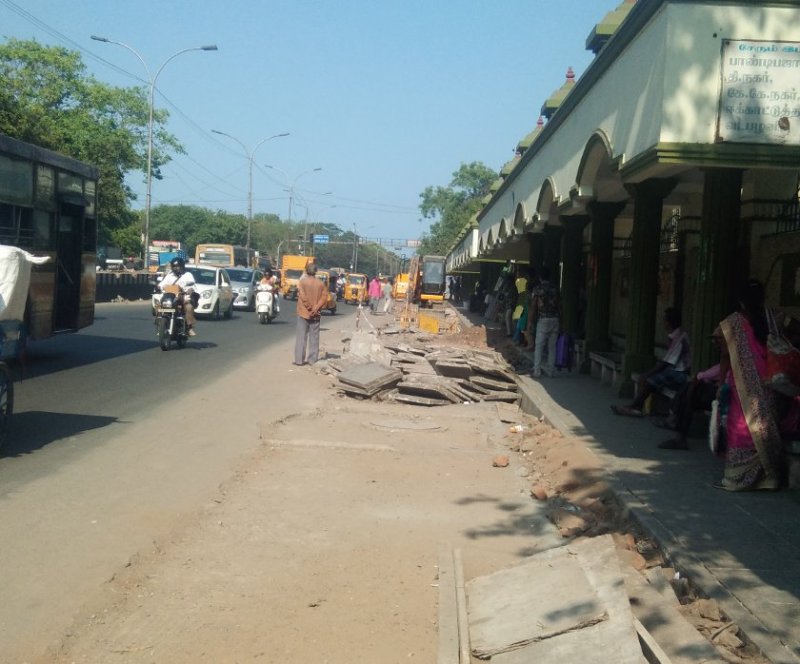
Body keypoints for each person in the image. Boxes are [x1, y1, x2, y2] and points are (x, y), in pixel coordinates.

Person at [713, 279, 782, 491]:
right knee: (765, 427)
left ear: (740, 300)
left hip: (743, 387)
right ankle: (768, 478)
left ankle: (736, 478)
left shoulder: (731, 323)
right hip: (770, 383)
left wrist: (720, 383)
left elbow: (725, 356)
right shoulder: (773, 317)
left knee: (742, 427)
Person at [611, 307, 690, 416]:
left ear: (669, 322)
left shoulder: (680, 338)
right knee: (649, 379)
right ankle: (636, 407)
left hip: (681, 373)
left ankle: (634, 406)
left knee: (649, 381)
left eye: (664, 320)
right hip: (673, 370)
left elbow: (667, 362)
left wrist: (647, 374)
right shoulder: (675, 336)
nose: (663, 323)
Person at [656, 363, 720, 450]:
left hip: (723, 394)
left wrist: (698, 377)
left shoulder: (729, 363)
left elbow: (705, 375)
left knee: (690, 393)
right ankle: (675, 420)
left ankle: (674, 420)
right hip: (720, 392)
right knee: (690, 392)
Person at [294, 261, 329, 366]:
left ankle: (299, 360)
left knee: (301, 337)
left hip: (304, 312)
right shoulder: (321, 284)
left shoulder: (302, 282)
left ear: (306, 271)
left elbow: (303, 296)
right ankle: (312, 360)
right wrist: (316, 308)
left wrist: (309, 307)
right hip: (315, 314)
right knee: (314, 337)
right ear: (316, 272)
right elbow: (324, 297)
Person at [531, 266, 560, 378]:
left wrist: (530, 321)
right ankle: (550, 371)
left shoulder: (538, 289)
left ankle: (537, 371)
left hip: (543, 319)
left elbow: (534, 305)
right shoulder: (555, 288)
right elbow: (560, 305)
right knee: (552, 347)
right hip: (555, 319)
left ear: (540, 277)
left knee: (539, 346)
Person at [158, 257, 197, 336]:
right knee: (158, 306)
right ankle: (159, 323)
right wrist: (158, 287)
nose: (176, 268)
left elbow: (191, 283)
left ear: (182, 266)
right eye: (174, 266)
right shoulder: (169, 275)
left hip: (183, 296)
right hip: (170, 297)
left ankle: (189, 328)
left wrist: (188, 289)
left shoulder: (187, 275)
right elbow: (162, 284)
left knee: (189, 307)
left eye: (178, 266)